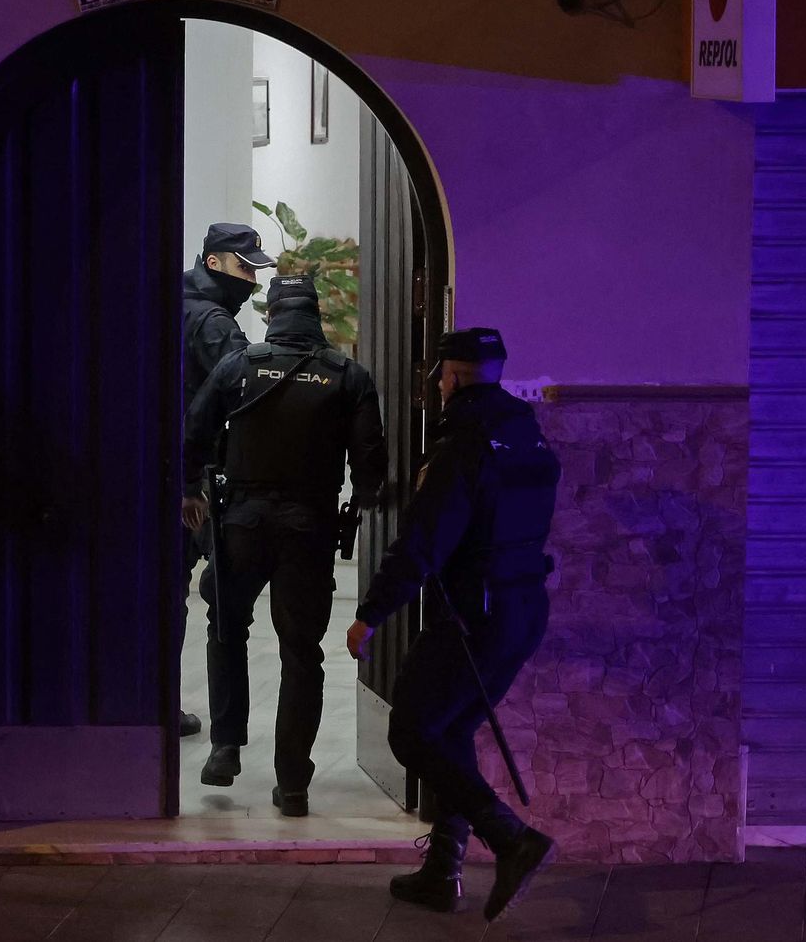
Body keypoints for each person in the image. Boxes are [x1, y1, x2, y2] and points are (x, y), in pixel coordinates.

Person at [345, 327, 560, 923]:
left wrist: (370, 616)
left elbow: (422, 543)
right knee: (452, 729)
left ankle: (512, 838)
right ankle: (443, 872)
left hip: (475, 617)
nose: (436, 384)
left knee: (411, 732)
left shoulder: (462, 443)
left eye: (439, 374)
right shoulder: (525, 432)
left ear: (452, 376)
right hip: (521, 610)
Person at [182, 274, 387, 815]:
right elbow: (371, 470)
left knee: (227, 627)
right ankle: (293, 782)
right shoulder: (348, 376)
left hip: (242, 523)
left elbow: (194, 431)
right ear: (316, 315)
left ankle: (225, 747)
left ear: (272, 313)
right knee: (303, 655)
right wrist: (366, 502)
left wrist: (190, 490)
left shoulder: (239, 366)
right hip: (308, 527)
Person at [178, 222, 277, 736]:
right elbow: (241, 390)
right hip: (191, 478)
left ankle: (150, 705)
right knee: (194, 594)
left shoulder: (175, 298)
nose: (253, 283)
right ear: (214, 263)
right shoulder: (213, 322)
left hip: (167, 468)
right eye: (246, 270)